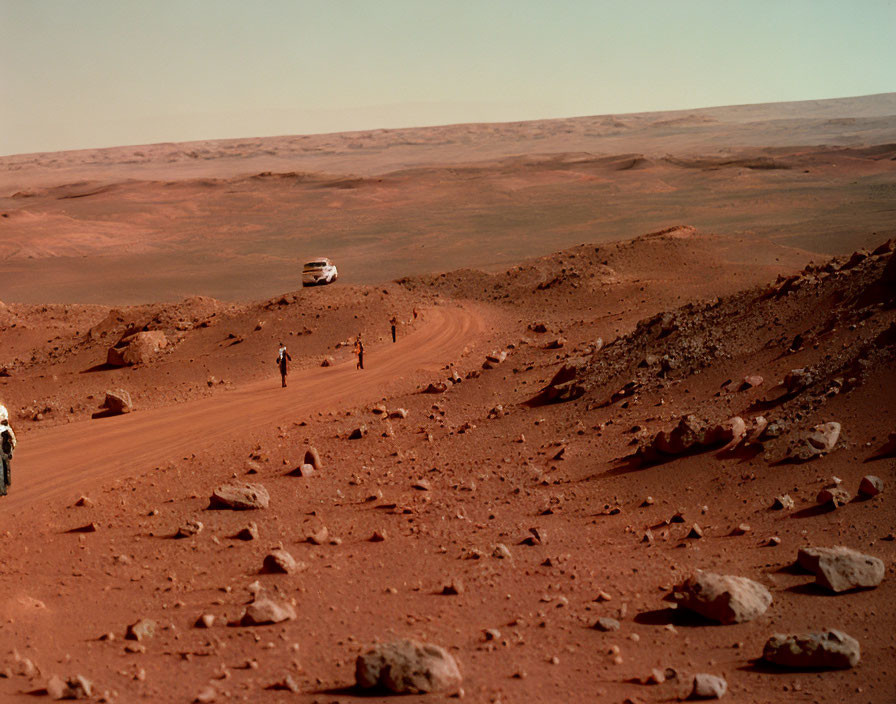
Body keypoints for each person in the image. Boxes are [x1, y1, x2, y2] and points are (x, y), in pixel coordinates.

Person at [0, 405, 16, 497]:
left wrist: (13, 443)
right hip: (4, 440)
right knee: (2, 466)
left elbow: (6, 423)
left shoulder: (2, 409)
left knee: (5, 465)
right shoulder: (2, 408)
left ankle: (6, 485)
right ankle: (3, 488)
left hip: (4, 440)